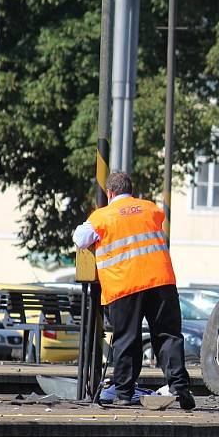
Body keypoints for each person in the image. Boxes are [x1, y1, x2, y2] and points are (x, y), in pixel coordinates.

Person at [73, 171, 195, 410]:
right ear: (131, 189)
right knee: (168, 336)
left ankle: (124, 392)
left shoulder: (103, 216)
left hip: (124, 286)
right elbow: (155, 222)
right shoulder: (150, 208)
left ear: (109, 193)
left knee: (127, 339)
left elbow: (81, 239)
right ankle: (179, 386)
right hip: (161, 281)